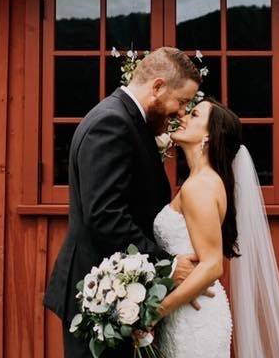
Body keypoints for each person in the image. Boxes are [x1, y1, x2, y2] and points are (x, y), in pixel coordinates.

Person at [43, 47, 214, 358]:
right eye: (182, 101)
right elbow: (105, 216)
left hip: (120, 295)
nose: (181, 112)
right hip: (99, 299)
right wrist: (169, 264)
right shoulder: (112, 124)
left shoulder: (128, 120)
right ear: (158, 87)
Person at [152, 96, 279, 357]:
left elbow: (212, 265)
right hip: (187, 310)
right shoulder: (204, 180)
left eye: (194, 115)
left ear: (209, 136)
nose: (183, 117)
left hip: (193, 319)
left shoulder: (199, 186)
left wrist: (155, 312)